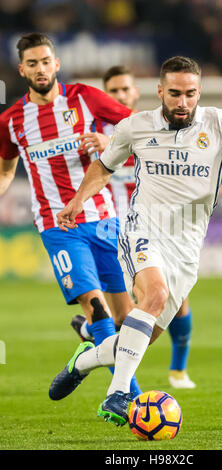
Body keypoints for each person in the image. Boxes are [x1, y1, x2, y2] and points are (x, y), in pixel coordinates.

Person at [49, 56, 222, 426]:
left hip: (187, 247)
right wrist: (76, 201)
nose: (183, 102)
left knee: (138, 339)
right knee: (156, 296)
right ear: (159, 91)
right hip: (142, 228)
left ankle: (83, 360)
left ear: (200, 92)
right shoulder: (135, 127)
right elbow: (103, 167)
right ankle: (117, 395)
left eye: (191, 94)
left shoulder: (218, 123)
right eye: (175, 94)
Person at [0, 32, 142, 397]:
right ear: (22, 69)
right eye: (32, 63)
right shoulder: (12, 121)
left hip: (104, 217)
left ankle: (84, 356)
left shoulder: (84, 97)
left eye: (46, 61)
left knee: (128, 319)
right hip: (57, 225)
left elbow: (140, 130)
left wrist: (110, 142)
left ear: (56, 63)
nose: (40, 69)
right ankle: (127, 398)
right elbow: (5, 170)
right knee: (97, 309)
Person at [71, 65, 196, 389]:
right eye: (113, 91)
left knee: (172, 300)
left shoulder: (155, 130)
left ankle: (178, 371)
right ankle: (117, 379)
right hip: (112, 229)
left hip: (154, 229)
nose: (120, 95)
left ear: (137, 92)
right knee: (140, 308)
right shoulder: (89, 134)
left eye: (125, 89)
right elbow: (92, 171)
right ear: (104, 96)